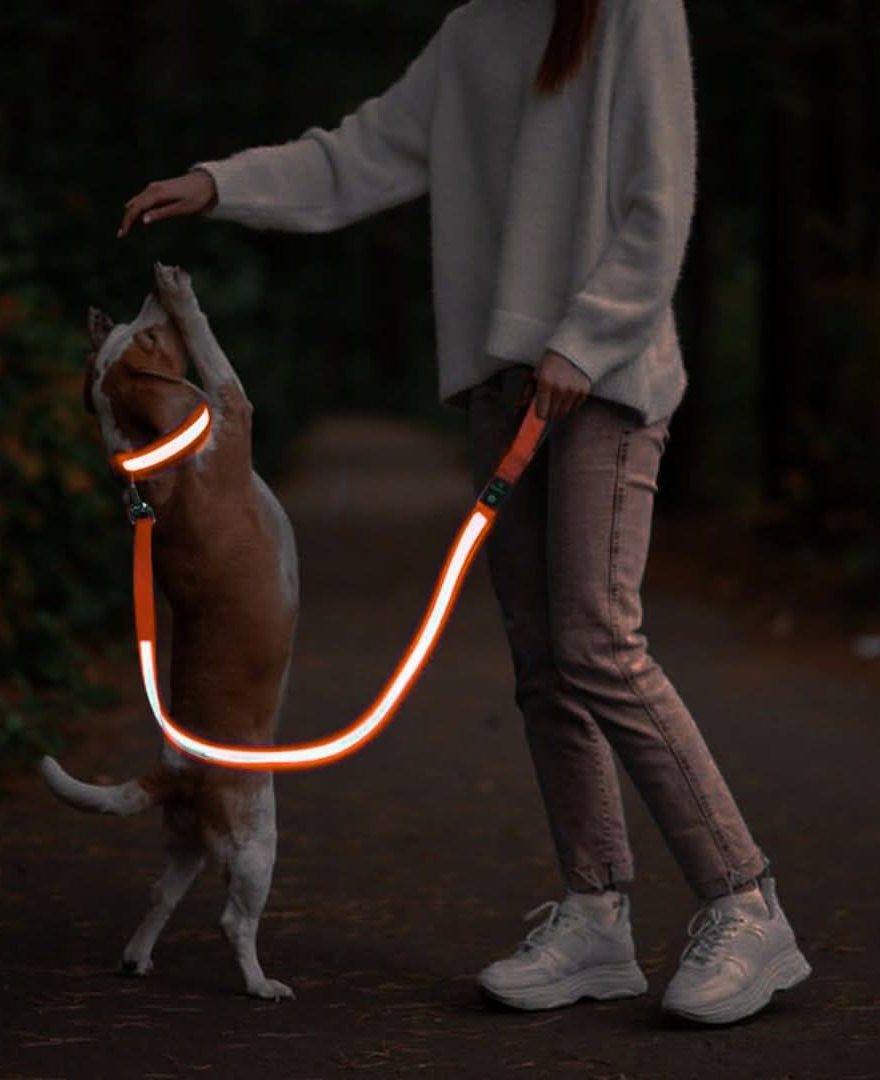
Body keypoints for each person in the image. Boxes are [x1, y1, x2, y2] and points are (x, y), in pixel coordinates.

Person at [117, 0, 811, 1025]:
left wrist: (586, 337)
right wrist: (222, 184)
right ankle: (594, 915)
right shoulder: (479, 24)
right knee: (541, 665)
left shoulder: (630, 12)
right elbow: (361, 154)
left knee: (596, 643)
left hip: (604, 381)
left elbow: (659, 201)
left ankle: (746, 902)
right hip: (504, 388)